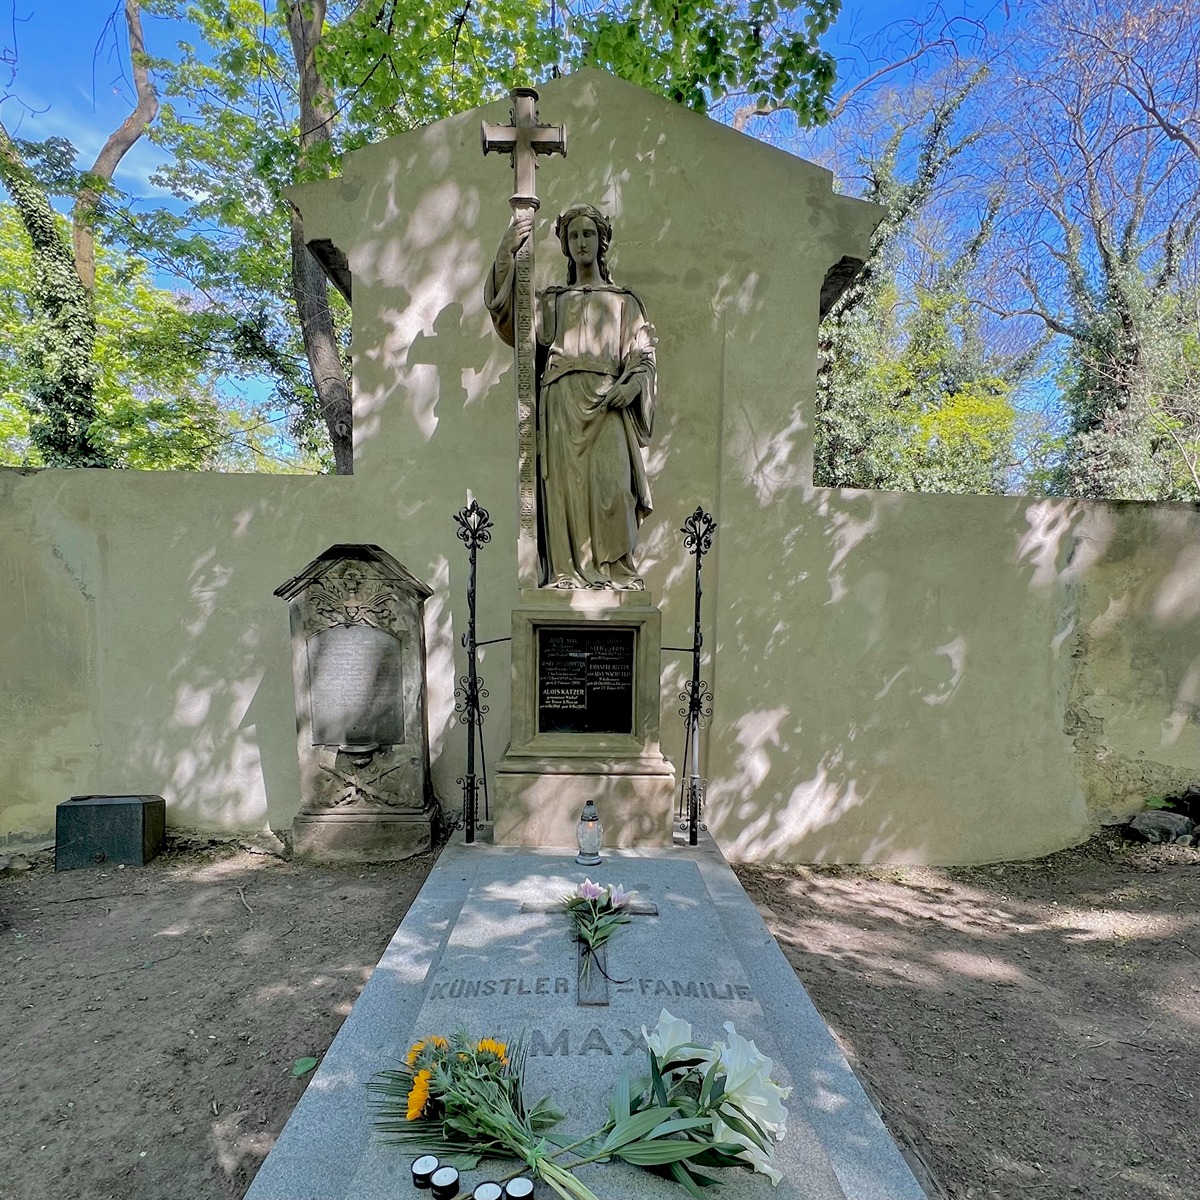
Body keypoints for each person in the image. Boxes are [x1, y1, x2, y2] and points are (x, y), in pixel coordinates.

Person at [486, 203, 657, 589]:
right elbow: (514, 325)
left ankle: (616, 571)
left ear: (601, 241)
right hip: (562, 402)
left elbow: (643, 356)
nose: (581, 242)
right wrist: (505, 256)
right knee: (567, 494)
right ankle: (569, 571)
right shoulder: (553, 301)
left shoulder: (623, 301)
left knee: (616, 489)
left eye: (588, 234)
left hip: (608, 403)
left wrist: (631, 386)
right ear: (565, 244)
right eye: (574, 235)